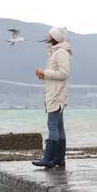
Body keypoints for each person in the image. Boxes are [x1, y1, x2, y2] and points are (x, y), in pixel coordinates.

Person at [32, 27, 72, 168]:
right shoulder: (57, 51)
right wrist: (45, 75)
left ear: (54, 36)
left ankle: (48, 159)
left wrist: (45, 72)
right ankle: (59, 159)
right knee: (59, 126)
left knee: (52, 125)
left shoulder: (60, 52)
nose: (47, 35)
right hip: (55, 92)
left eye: (49, 33)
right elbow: (57, 74)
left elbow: (63, 74)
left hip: (56, 94)